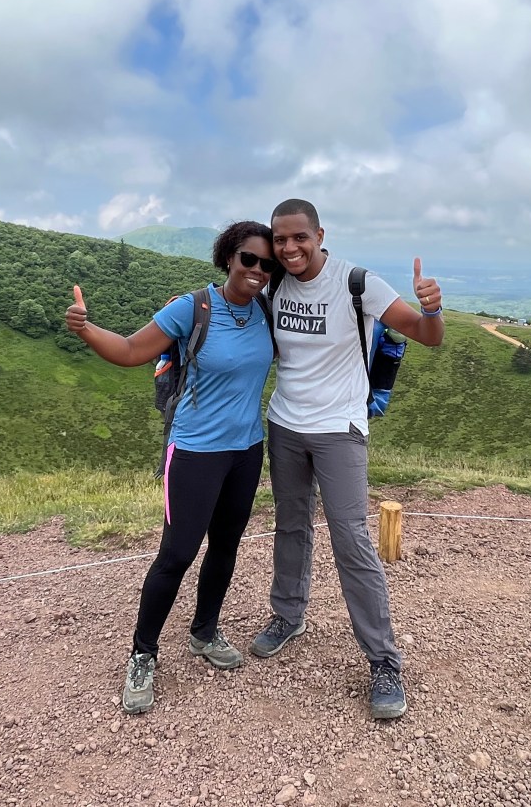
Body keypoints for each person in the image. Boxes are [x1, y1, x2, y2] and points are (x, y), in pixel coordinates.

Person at [65, 221, 277, 715]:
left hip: (246, 450)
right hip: (195, 451)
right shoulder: (193, 307)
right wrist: (85, 328)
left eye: (267, 265)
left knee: (225, 547)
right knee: (177, 554)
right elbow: (131, 351)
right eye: (250, 259)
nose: (259, 271)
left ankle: (204, 631)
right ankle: (143, 653)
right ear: (229, 258)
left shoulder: (267, 309)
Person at [250, 198, 444, 721]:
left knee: (352, 538)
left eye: (299, 238)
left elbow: (428, 337)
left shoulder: (358, 283)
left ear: (319, 235)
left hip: (340, 429)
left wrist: (432, 307)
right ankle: (288, 616)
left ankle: (383, 660)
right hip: (285, 425)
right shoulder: (273, 284)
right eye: (280, 240)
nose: (289, 248)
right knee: (290, 526)